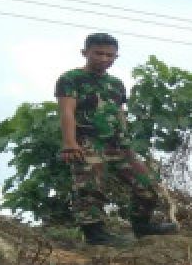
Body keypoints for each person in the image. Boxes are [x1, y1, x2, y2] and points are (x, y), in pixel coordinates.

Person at [55, 32, 177, 246]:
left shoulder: (116, 84)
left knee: (147, 184)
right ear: (85, 53)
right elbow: (67, 111)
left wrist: (127, 143)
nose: (104, 59)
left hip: (118, 145)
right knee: (90, 188)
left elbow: (119, 113)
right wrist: (70, 143)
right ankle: (95, 235)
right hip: (87, 143)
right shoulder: (70, 79)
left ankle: (142, 226)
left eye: (110, 55)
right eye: (98, 53)